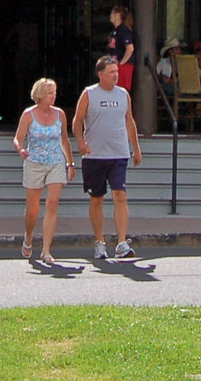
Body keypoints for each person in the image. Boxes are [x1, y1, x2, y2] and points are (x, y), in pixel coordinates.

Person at [74, 55, 142, 261]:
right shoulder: (89, 94)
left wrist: (136, 149)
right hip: (95, 155)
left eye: (117, 72)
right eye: (111, 72)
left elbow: (129, 121)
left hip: (118, 153)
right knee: (97, 198)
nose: (115, 75)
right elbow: (77, 120)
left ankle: (122, 242)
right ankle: (99, 242)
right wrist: (80, 142)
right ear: (100, 74)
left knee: (120, 195)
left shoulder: (123, 94)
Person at [13, 77, 74, 263]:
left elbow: (64, 140)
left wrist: (70, 164)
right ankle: (29, 236)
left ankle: (46, 250)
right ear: (40, 95)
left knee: (52, 204)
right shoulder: (28, 115)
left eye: (54, 93)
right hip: (34, 164)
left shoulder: (60, 114)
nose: (54, 96)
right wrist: (21, 150)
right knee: (32, 210)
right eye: (50, 93)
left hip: (56, 162)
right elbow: (18, 138)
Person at [105, 4, 135, 91]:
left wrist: (121, 64)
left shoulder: (123, 30)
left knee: (120, 91)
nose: (110, 15)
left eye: (112, 13)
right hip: (114, 66)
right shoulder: (115, 32)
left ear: (117, 14)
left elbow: (130, 48)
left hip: (122, 67)